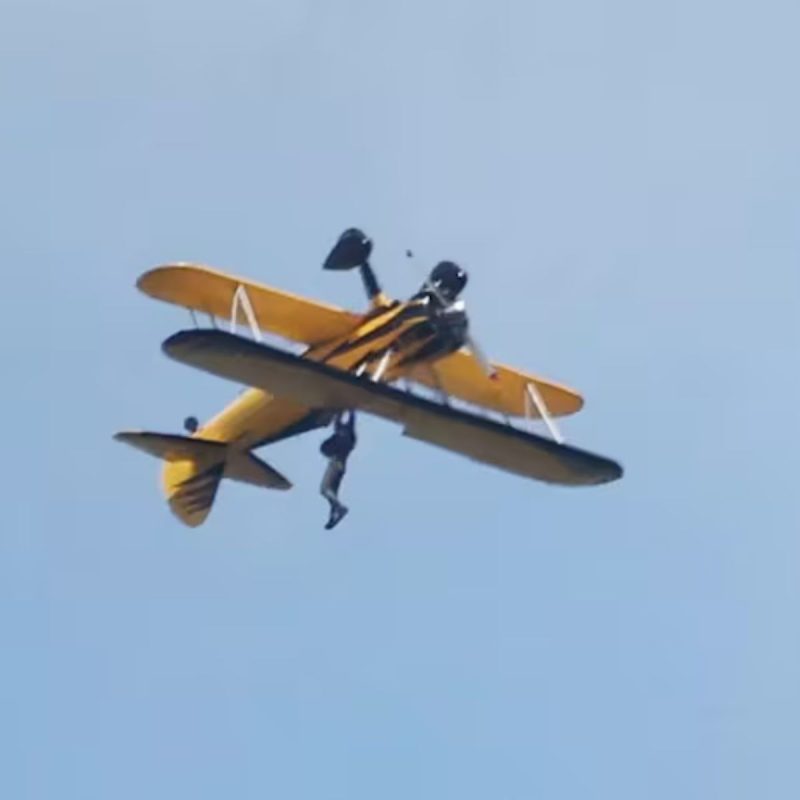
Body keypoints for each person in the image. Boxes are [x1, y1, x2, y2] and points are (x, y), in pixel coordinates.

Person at [319, 410, 357, 529]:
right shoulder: (348, 437)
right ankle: (333, 515)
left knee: (324, 489)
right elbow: (341, 422)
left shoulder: (346, 436)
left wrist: (346, 408)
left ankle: (340, 508)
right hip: (341, 466)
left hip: (336, 464)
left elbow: (347, 422)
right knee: (332, 493)